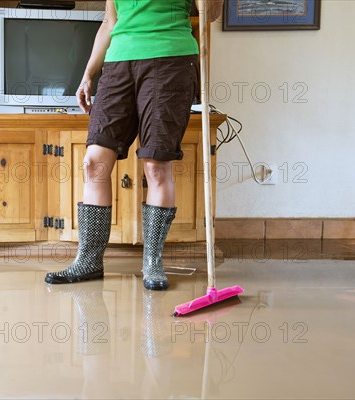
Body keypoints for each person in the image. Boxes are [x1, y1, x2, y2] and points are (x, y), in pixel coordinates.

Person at [45, 0, 224, 290]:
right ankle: (89, 260)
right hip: (118, 64)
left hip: (170, 60)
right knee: (94, 162)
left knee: (156, 166)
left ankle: (153, 261)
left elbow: (211, 14)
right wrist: (88, 74)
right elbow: (109, 22)